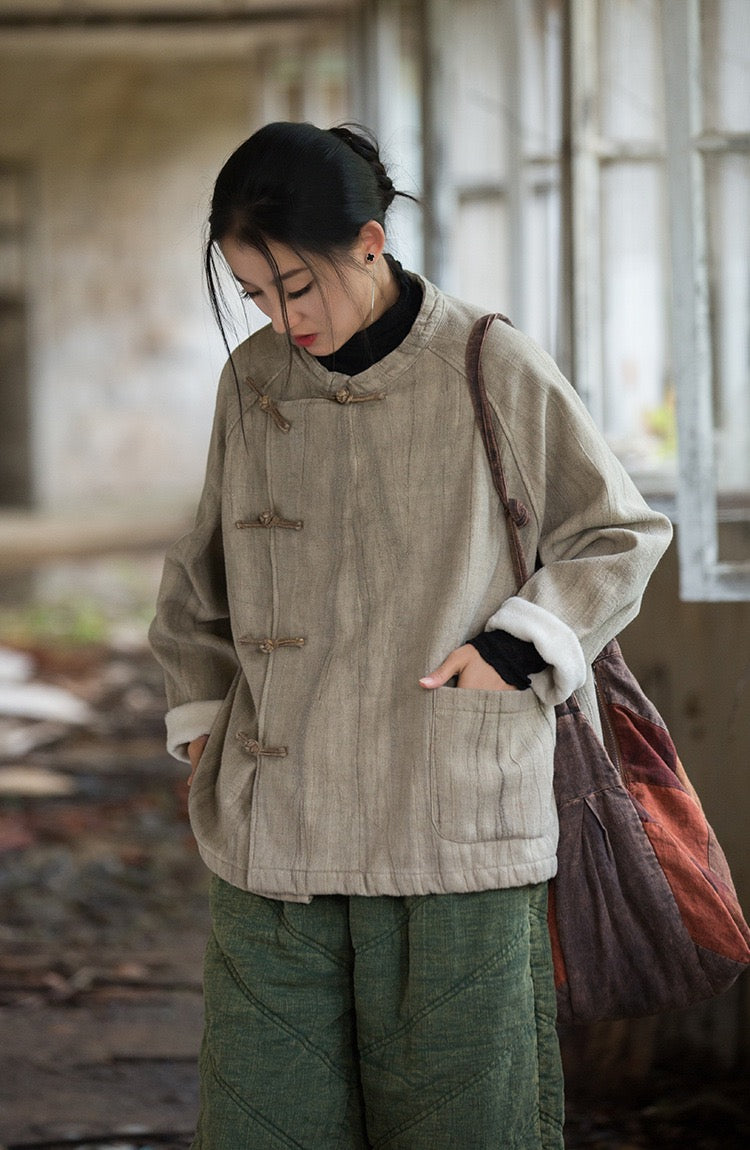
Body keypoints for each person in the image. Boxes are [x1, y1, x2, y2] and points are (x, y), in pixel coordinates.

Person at [149, 120, 672, 1149]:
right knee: (264, 1123)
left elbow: (619, 532)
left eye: (297, 287)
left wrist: (516, 650)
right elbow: (199, 574)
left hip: (453, 820)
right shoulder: (252, 381)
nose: (283, 318)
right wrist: (204, 722)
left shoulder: (488, 361)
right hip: (277, 829)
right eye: (255, 295)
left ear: (370, 243)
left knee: (464, 1125)